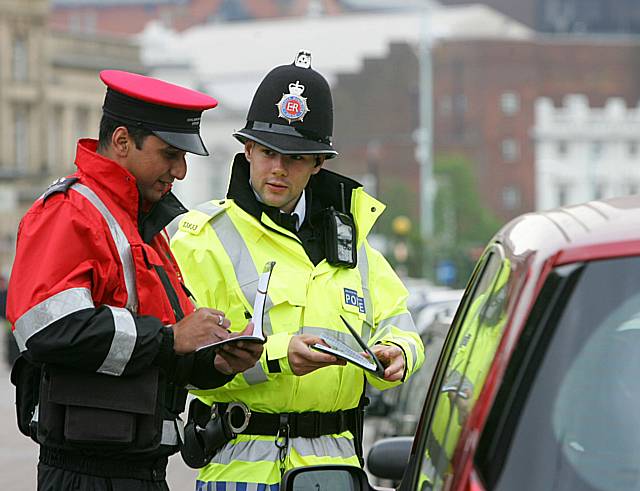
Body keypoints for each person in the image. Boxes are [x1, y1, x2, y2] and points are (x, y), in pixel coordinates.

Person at [171, 50, 425, 490]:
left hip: (337, 470)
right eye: (268, 152)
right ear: (247, 149)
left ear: (318, 163)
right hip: (245, 469)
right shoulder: (200, 239)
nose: (278, 168)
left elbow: (402, 325)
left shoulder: (353, 243)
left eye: (296, 157)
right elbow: (189, 365)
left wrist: (398, 353)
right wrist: (277, 356)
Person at [6, 70, 263, 491]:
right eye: (169, 154)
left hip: (140, 468)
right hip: (84, 472)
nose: (180, 171)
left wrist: (213, 360)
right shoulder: (70, 212)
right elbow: (46, 329)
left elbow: (159, 349)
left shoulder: (143, 226)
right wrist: (169, 338)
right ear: (123, 141)